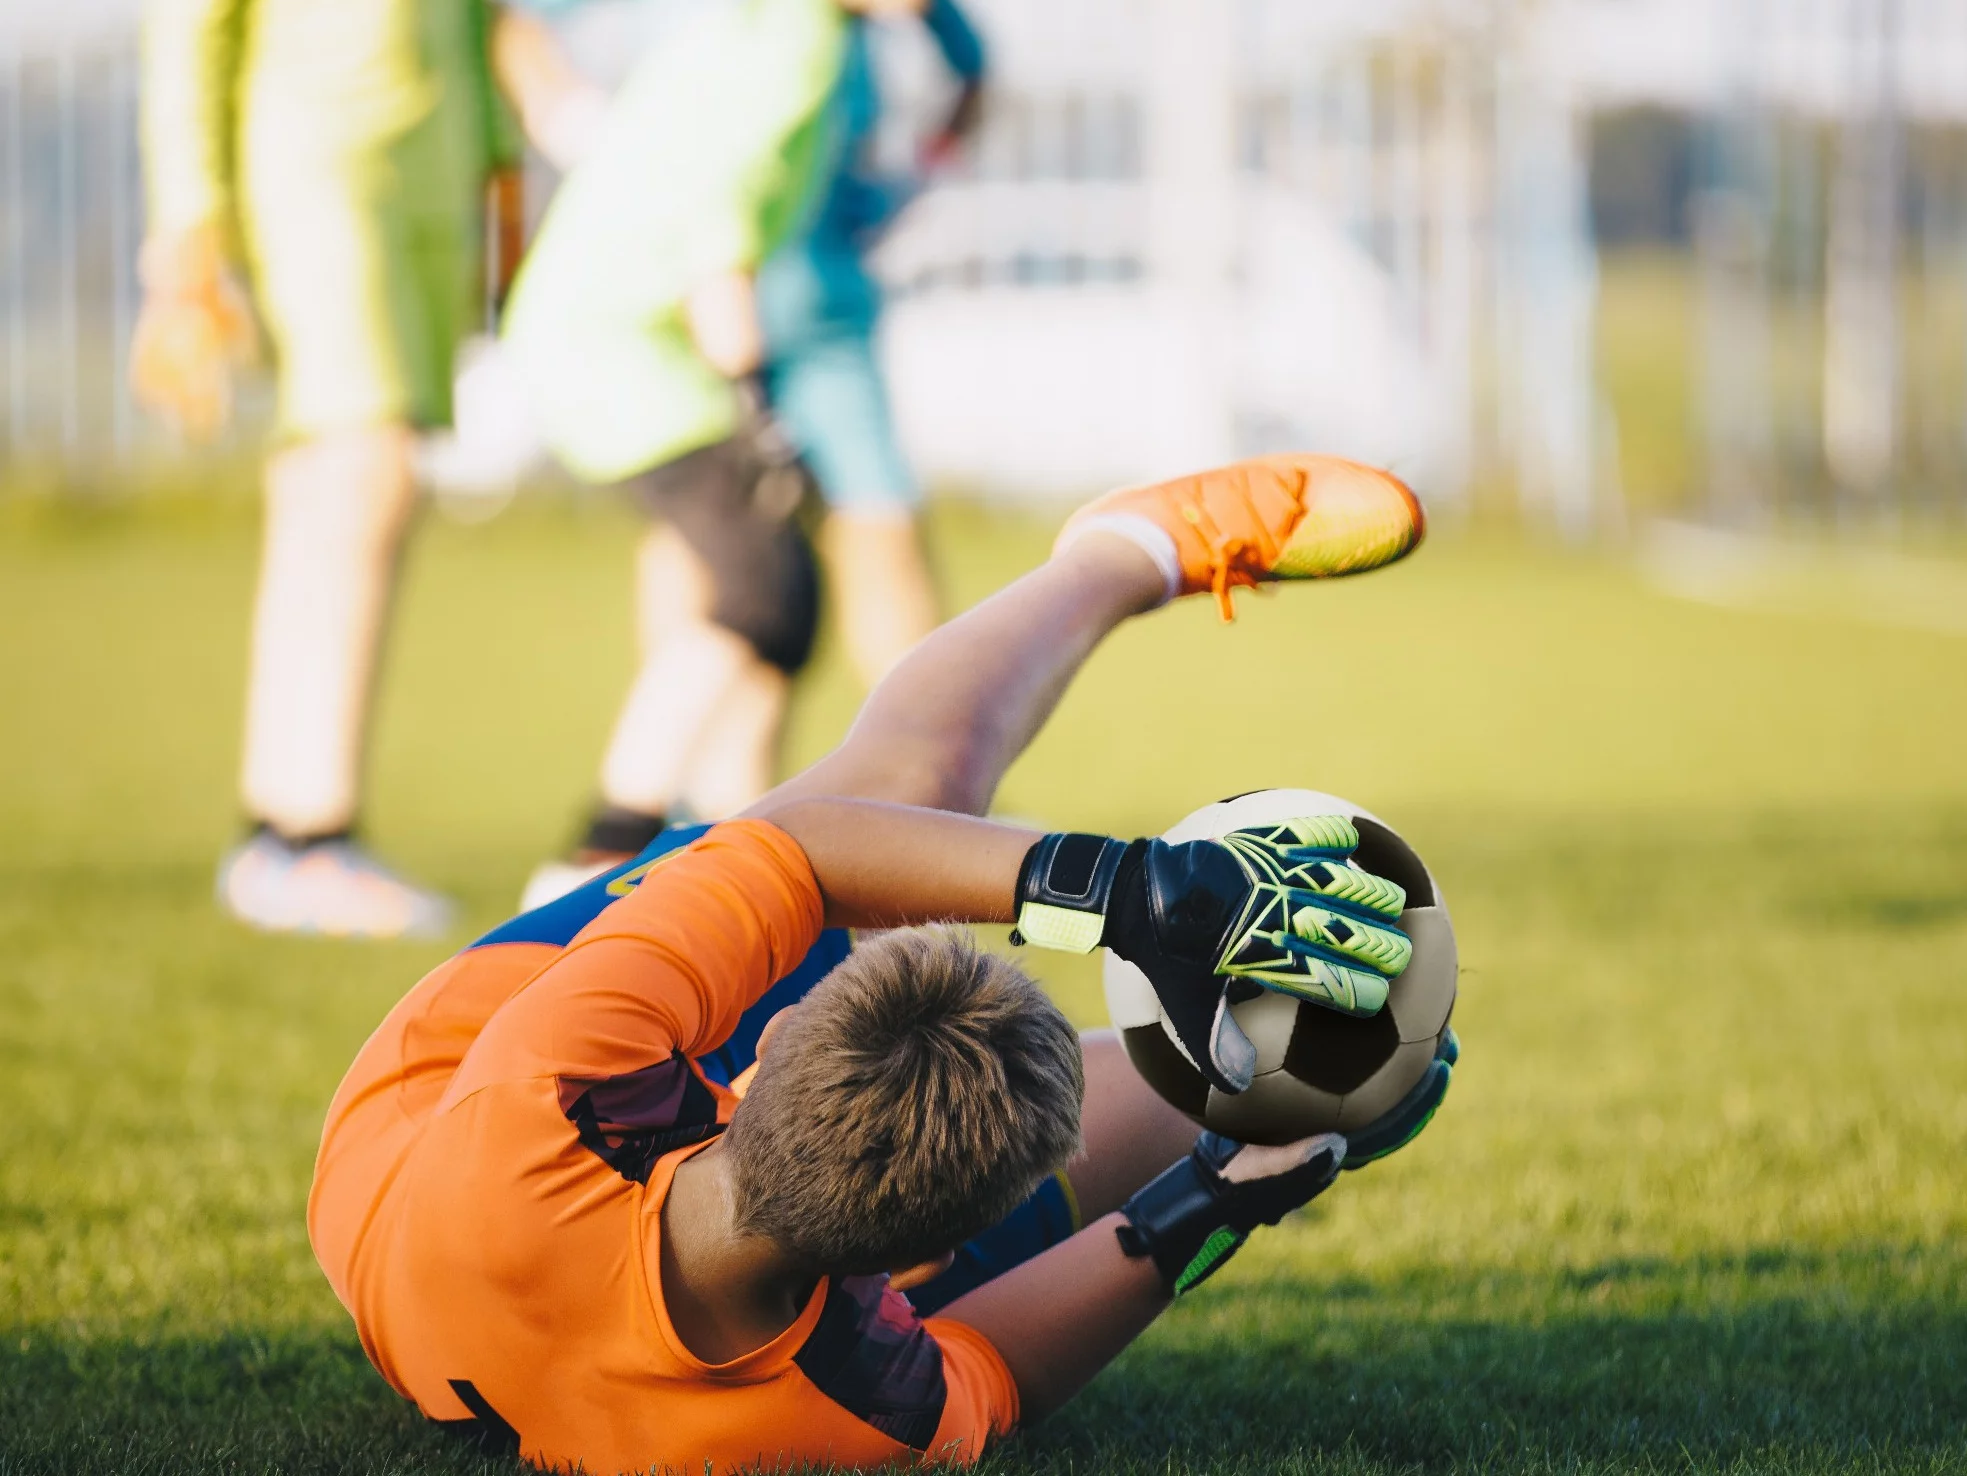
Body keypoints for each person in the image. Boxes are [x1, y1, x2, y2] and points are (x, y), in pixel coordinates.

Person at [309, 452, 1441, 1471]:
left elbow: (804, 853)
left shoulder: (554, 1080)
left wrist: (1121, 893)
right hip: (533, 1198)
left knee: (902, 792)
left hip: (425, 1102)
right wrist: (1220, 1190)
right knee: (1271, 1089)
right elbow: (999, 1379)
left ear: (781, 1031)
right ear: (938, 1260)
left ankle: (1123, 554)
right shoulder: (856, 1412)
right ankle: (1123, 552)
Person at [134, 0, 569, 938]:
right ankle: (311, 837)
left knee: (329, 483)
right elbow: (188, 28)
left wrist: (499, 185)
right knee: (368, 465)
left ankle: (276, 832)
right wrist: (189, 228)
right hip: (315, 157)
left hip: (435, 182)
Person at [502, 0, 946, 912]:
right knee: (758, 591)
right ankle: (599, 850)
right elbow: (714, 216)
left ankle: (728, 851)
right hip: (620, 351)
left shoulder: (800, 30)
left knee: (786, 603)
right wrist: (756, 400)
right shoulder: (783, 44)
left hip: (633, 346)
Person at [756, 0, 987, 688]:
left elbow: (972, 65)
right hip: (706, 297)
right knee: (728, 553)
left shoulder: (853, 31)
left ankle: (927, 779)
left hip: (824, 295)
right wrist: (564, 116)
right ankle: (700, 796)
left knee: (880, 523)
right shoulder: (735, 33)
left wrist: (914, 176)